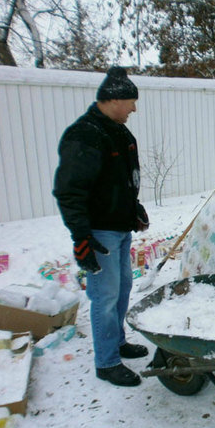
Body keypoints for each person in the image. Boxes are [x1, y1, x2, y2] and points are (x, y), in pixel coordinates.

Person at [53, 67, 150, 387]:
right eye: (131, 102)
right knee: (105, 296)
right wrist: (81, 237)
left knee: (122, 290)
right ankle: (106, 362)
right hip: (99, 233)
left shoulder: (119, 132)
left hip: (119, 229)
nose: (134, 109)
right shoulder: (85, 134)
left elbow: (121, 183)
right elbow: (70, 190)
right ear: (113, 100)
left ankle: (117, 342)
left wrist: (132, 208)